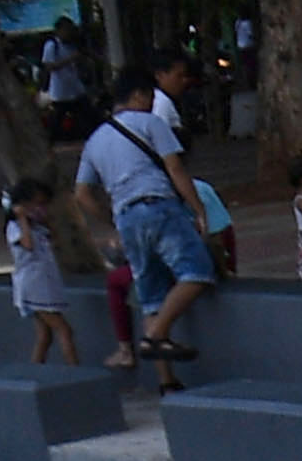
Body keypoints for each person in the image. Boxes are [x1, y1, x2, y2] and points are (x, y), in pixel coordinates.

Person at [75, 65, 217, 384]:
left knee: (150, 296)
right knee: (197, 272)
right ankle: (157, 335)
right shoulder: (151, 123)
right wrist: (197, 209)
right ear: (138, 95)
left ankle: (167, 382)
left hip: (126, 217)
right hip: (158, 205)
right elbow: (175, 168)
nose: (154, 104)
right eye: (151, 97)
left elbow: (81, 194)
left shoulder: (95, 140)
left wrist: (111, 221)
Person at [3, 180, 79, 362]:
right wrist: (22, 219)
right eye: (36, 204)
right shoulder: (15, 228)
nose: (40, 209)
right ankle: (74, 370)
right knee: (64, 329)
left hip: (46, 284)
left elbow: (54, 239)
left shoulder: (39, 227)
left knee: (45, 336)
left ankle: (36, 370)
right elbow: (28, 245)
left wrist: (45, 221)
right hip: (33, 286)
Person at [41, 22, 90, 137]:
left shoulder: (72, 45)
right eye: (66, 30)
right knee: (57, 120)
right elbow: (50, 66)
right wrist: (70, 59)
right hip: (60, 91)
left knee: (87, 115)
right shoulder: (52, 45)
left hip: (75, 88)